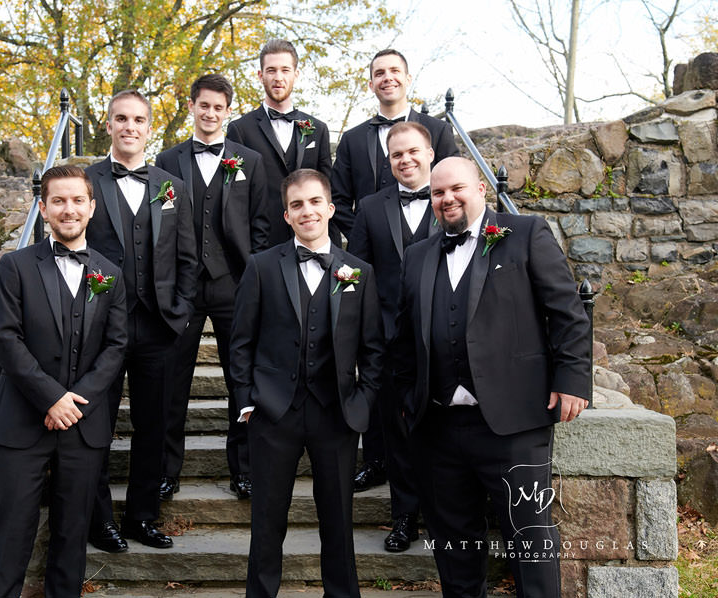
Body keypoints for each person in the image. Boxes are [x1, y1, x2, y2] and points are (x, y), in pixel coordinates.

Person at [389, 157, 590, 598]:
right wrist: (408, 400)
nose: (447, 199)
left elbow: (567, 313)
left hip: (514, 424)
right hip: (438, 427)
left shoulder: (526, 234)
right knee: (454, 545)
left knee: (530, 540)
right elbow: (404, 338)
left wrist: (573, 379)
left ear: (481, 189)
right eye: (437, 193)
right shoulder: (418, 255)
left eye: (456, 188)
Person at [231, 169, 384, 598]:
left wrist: (363, 401)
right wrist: (247, 400)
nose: (307, 211)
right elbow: (240, 341)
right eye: (297, 204)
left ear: (331, 208)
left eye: (315, 202)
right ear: (286, 214)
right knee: (267, 521)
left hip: (335, 413)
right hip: (273, 413)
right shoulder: (261, 267)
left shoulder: (359, 272)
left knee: (337, 520)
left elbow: (373, 349)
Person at [0, 165, 129, 598]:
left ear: (92, 207)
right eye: (59, 201)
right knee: (12, 531)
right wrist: (51, 399)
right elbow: (6, 340)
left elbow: (117, 346)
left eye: (77, 201)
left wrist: (74, 400)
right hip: (21, 422)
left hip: (83, 426)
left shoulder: (110, 275)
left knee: (71, 535)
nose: (69, 210)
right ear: (43, 208)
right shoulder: (15, 266)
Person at [82, 90, 195, 553]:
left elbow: (187, 256)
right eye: (121, 119)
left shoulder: (171, 185)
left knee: (155, 425)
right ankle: (100, 520)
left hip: (157, 325)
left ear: (150, 128)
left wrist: (181, 311)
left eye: (139, 120)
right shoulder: (85, 180)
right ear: (108, 125)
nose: (130, 126)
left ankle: (143, 517)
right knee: (96, 426)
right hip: (98, 326)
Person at [154, 73, 266, 502]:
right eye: (204, 106)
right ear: (192, 106)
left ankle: (245, 471)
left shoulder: (248, 161)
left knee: (241, 379)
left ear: (227, 111)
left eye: (219, 108)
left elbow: (259, 226)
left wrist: (251, 280)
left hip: (232, 284)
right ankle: (167, 471)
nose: (211, 113)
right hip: (182, 288)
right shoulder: (166, 160)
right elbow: (160, 227)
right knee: (172, 381)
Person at [344, 121, 438, 552]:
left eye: (413, 151)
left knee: (443, 434)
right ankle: (404, 519)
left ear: (430, 153)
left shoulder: (451, 199)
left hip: (444, 341)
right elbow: (357, 276)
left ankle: (444, 519)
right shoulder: (369, 207)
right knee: (396, 437)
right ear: (388, 160)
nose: (406, 160)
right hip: (387, 342)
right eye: (397, 154)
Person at [329, 49, 459, 246]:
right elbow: (337, 200)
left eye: (395, 71)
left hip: (435, 245)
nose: (388, 78)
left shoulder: (438, 130)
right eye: (380, 73)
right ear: (371, 85)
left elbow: (456, 184)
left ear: (407, 79)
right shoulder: (352, 139)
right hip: (372, 256)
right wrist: (364, 232)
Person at [227, 39, 333, 250]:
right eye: (271, 70)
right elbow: (234, 200)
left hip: (311, 243)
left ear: (296, 74)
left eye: (285, 70)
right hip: (262, 247)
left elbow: (328, 190)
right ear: (261, 75)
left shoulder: (317, 129)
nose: (278, 78)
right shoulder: (240, 129)